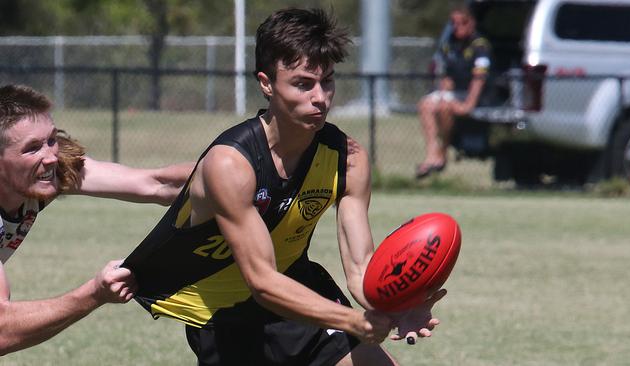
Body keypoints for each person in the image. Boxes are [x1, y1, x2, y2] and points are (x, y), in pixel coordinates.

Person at [124, 8, 446, 366]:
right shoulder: (231, 164)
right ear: (266, 83)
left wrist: (396, 305)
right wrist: (353, 319)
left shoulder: (348, 159)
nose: (320, 97)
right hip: (226, 315)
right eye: (303, 83)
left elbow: (360, 267)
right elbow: (261, 281)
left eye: (328, 82)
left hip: (303, 290)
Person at [0, 84, 192, 355]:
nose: (50, 157)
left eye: (51, 139)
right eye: (32, 149)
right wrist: (93, 294)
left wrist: (241, 169)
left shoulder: (52, 169)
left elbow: (158, 184)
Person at [415, 5, 492, 179]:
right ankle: (432, 154)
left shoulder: (480, 45)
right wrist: (443, 92)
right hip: (453, 93)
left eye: (462, 23)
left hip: (475, 95)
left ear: (472, 23)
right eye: (454, 23)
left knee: (444, 108)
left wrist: (469, 105)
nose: (458, 27)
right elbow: (445, 74)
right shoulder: (449, 43)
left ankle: (441, 154)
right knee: (426, 105)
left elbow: (479, 79)